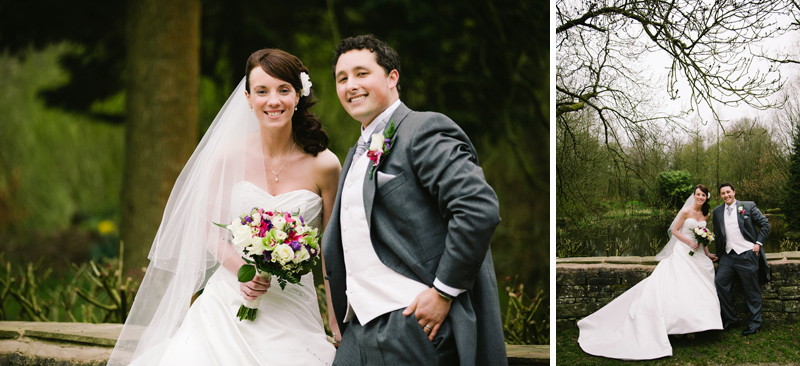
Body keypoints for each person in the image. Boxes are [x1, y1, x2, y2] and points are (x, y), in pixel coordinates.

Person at [107, 49, 341, 365]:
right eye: (262, 91)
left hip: (293, 303)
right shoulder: (227, 156)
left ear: (298, 95)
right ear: (247, 98)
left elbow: (330, 247)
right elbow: (207, 229)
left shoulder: (325, 166)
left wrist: (336, 316)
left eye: (283, 90)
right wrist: (241, 272)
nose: (273, 101)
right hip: (229, 298)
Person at [321, 34, 507, 366]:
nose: (350, 85)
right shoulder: (353, 154)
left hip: (411, 324)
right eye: (342, 78)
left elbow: (478, 208)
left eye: (362, 73)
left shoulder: (423, 130)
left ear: (393, 78)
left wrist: (442, 293)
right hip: (357, 328)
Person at [578, 184, 723, 360]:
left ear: (707, 197)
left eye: (703, 195)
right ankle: (677, 329)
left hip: (698, 254)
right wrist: (688, 243)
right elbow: (675, 231)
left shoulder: (706, 214)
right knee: (680, 288)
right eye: (698, 194)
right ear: (694, 195)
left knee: (697, 289)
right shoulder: (686, 211)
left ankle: (693, 326)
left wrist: (707, 253)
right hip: (684, 251)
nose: (700, 197)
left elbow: (704, 237)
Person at [713, 182, 770, 336]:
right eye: (723, 193)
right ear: (720, 196)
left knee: (752, 290)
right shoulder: (717, 212)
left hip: (747, 254)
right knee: (720, 283)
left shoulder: (748, 206)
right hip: (728, 256)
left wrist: (758, 243)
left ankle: (755, 324)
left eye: (728, 192)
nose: (726, 195)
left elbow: (765, 224)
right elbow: (719, 236)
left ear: (734, 192)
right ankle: (732, 319)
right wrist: (718, 255)